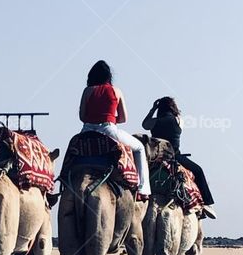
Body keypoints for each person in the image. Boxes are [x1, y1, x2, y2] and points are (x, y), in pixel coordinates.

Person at [79, 61, 149, 197]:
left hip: (87, 131)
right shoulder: (116, 91)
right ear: (108, 76)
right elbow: (123, 118)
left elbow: (82, 117)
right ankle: (143, 189)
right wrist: (109, 118)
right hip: (108, 129)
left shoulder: (87, 91)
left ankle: (64, 184)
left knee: (72, 153)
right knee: (140, 148)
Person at [142, 97, 215, 217]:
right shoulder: (178, 120)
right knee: (198, 170)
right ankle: (207, 203)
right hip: (175, 157)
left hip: (157, 158)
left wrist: (153, 109)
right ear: (173, 107)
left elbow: (144, 125)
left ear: (159, 109)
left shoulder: (154, 122)